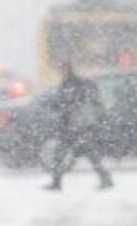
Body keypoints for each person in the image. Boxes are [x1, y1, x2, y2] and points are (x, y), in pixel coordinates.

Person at [46, 62, 113, 191]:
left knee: (67, 153)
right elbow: (63, 102)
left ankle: (57, 182)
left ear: (68, 69)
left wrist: (62, 108)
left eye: (62, 69)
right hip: (71, 125)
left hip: (76, 126)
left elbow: (74, 103)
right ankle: (57, 182)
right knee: (84, 153)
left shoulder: (74, 84)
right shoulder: (67, 84)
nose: (61, 72)